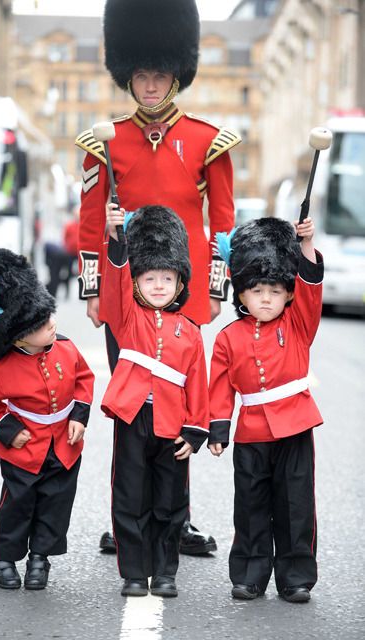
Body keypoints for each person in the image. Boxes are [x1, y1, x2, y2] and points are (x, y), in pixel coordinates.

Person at [76, 0, 240, 555]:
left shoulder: (207, 140)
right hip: (124, 296)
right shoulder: (104, 139)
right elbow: (89, 222)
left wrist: (217, 288)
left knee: (180, 406)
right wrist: (94, 289)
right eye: (141, 74)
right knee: (129, 406)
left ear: (178, 73)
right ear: (128, 74)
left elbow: (223, 224)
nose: (149, 85)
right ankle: (128, 520)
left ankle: (175, 520)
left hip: (183, 296)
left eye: (159, 74)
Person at [0, 248, 94, 590]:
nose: (52, 324)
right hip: (25, 449)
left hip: (64, 445)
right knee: (17, 507)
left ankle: (39, 559)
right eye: (40, 324)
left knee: (55, 507)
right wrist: (9, 431)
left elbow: (83, 380)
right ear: (15, 335)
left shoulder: (66, 347)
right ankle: (1, 558)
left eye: (48, 316)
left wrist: (79, 416)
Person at [208, 216, 324, 603]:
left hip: (295, 426)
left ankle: (295, 577)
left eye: (275, 290)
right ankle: (250, 574)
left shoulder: (299, 323)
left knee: (295, 505)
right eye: (256, 290)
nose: (267, 298)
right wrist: (219, 430)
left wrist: (305, 244)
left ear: (288, 295)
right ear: (240, 293)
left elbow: (310, 286)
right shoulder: (227, 337)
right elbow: (221, 386)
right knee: (251, 506)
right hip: (252, 432)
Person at [101, 203, 209, 597]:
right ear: (136, 282)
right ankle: (133, 572)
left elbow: (198, 383)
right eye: (149, 277)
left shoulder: (191, 331)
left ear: (181, 282)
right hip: (132, 419)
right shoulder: (126, 316)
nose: (159, 285)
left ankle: (165, 572)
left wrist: (195, 432)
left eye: (167, 277)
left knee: (170, 504)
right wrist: (116, 237)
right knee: (129, 498)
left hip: (173, 424)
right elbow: (114, 281)